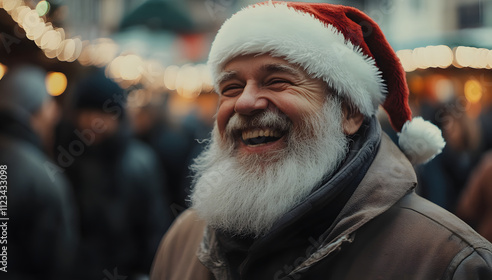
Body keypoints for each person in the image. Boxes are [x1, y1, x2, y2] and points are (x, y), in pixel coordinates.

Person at [150, 2, 492, 279]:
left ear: (349, 112)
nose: (244, 102)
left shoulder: (447, 260)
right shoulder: (184, 239)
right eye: (231, 88)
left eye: (277, 81)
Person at [55, 68, 171, 279]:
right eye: (86, 112)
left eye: (103, 113)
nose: (93, 121)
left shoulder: (140, 163)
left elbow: (153, 227)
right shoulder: (65, 158)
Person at [0, 64, 77, 279]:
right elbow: (59, 265)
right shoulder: (42, 176)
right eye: (48, 104)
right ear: (34, 110)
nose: (55, 115)